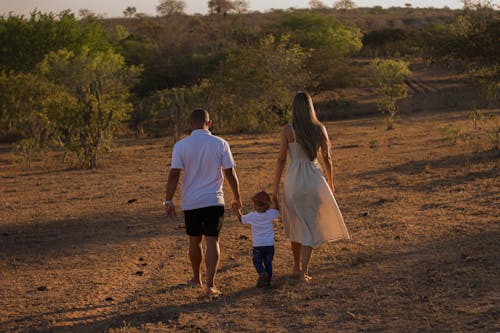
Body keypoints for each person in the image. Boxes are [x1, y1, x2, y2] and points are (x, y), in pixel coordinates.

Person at [272, 92, 350, 283]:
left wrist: (274, 188)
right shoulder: (319, 128)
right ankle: (303, 271)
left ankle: (296, 265)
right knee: (311, 224)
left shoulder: (287, 130)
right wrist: (331, 182)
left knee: (296, 222)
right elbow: (327, 158)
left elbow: (281, 159)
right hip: (314, 179)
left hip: (294, 180)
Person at [164, 108, 242, 298]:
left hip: (191, 201)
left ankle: (196, 278)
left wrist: (168, 200)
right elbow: (230, 173)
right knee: (212, 240)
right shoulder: (221, 143)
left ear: (190, 123)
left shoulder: (180, 145)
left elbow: (174, 174)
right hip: (214, 200)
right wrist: (236, 197)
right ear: (210, 123)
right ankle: (210, 285)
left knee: (194, 240)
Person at [234, 191, 279, 288]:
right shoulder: (270, 214)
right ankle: (268, 282)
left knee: (257, 262)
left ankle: (262, 273)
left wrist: (237, 210)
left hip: (258, 246)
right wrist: (276, 201)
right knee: (268, 263)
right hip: (269, 245)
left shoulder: (252, 216)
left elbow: (241, 219)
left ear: (255, 205)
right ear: (267, 206)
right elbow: (277, 210)